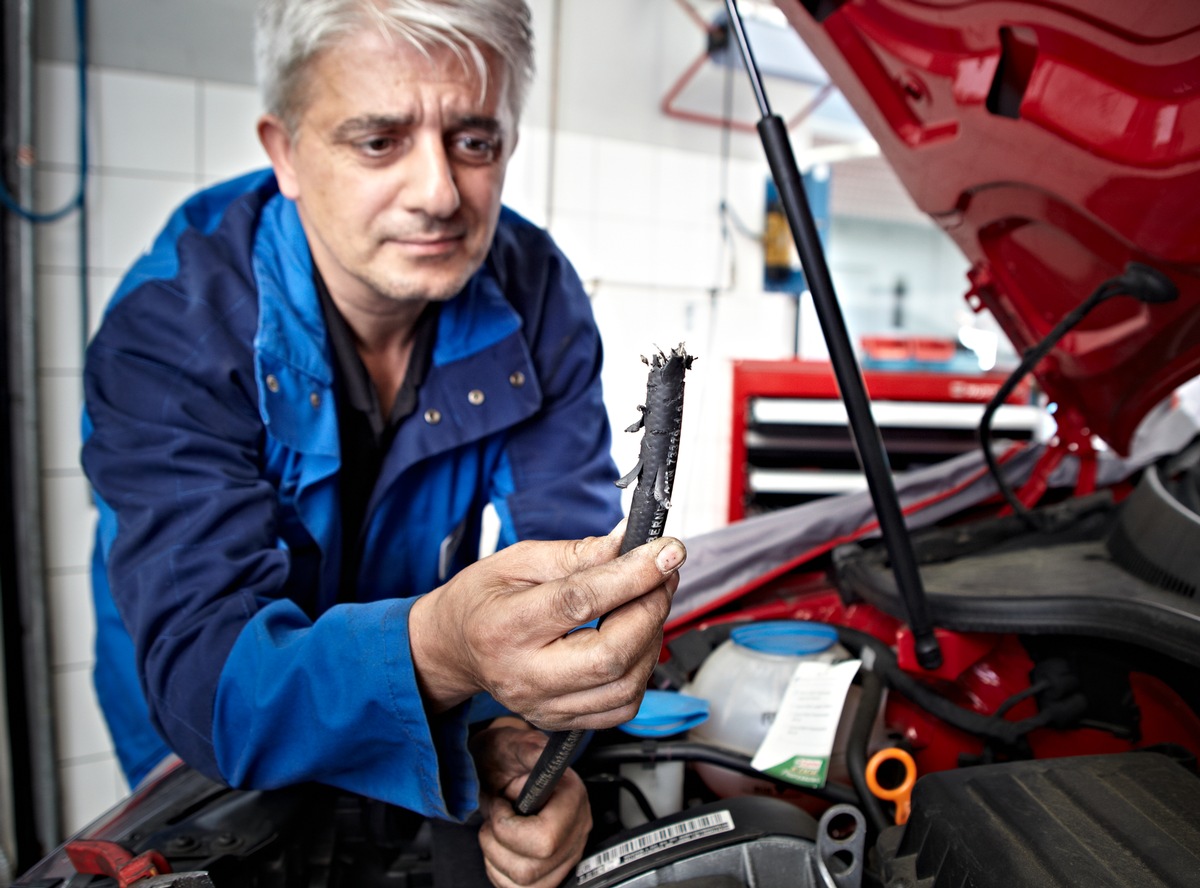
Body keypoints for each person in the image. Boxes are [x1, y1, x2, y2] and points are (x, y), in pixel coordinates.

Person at [80, 1, 685, 885]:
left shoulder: (536, 290)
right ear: (284, 150)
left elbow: (573, 561)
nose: (440, 192)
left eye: (475, 141)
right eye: (378, 141)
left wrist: (528, 743)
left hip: (441, 707)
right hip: (214, 739)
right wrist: (440, 649)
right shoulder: (172, 327)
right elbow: (212, 678)